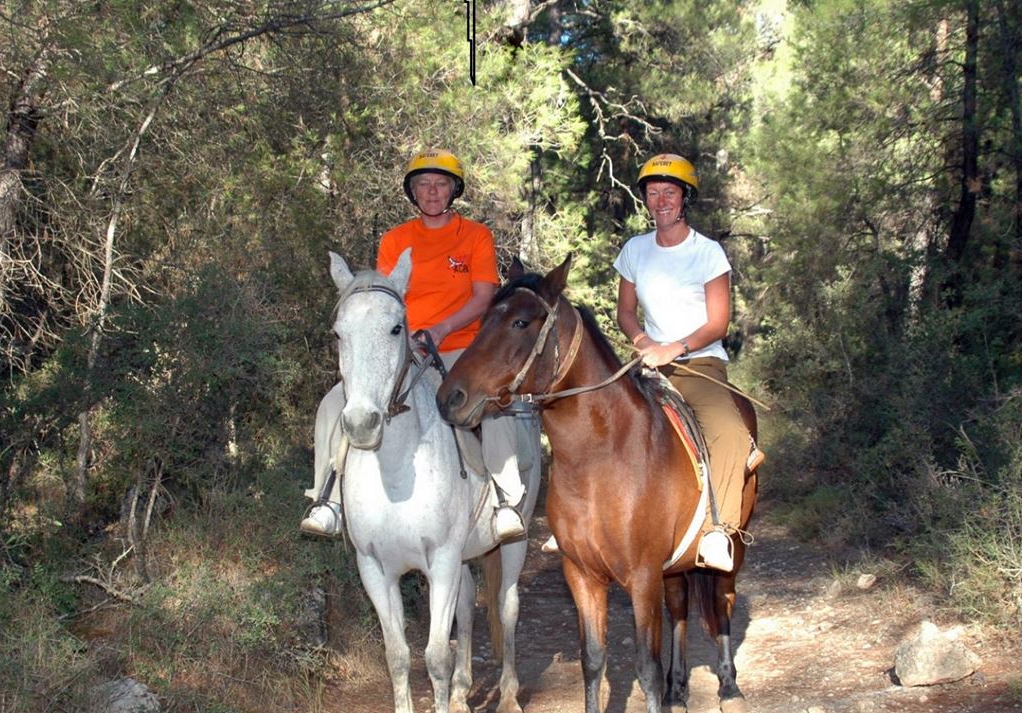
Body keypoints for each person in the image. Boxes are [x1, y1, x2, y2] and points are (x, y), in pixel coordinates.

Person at [301, 148, 533, 545]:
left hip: (462, 346)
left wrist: (440, 330)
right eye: (423, 184)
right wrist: (401, 339)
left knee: (491, 406)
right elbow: (385, 300)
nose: (432, 191)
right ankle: (329, 499)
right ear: (412, 191)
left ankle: (504, 500)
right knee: (332, 403)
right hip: (406, 348)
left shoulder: (476, 237)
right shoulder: (396, 240)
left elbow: (483, 297)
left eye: (441, 184)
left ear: (453, 190)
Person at [542, 153, 758, 569]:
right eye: (653, 193)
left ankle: (719, 529)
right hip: (646, 361)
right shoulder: (635, 250)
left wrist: (673, 348)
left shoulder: (708, 253)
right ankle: (573, 520)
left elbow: (718, 323)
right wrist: (642, 341)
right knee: (584, 418)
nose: (660, 201)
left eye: (669, 193)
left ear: (685, 198)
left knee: (729, 431)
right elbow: (625, 312)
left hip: (699, 363)